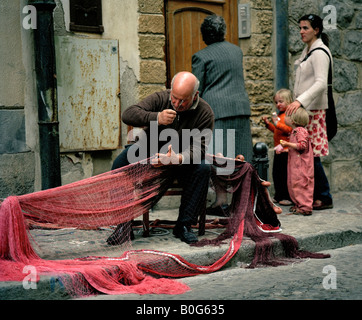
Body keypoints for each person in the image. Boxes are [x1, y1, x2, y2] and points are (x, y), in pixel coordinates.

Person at [107, 71, 215, 245]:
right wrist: (156, 117)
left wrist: (177, 158)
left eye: (183, 100)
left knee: (202, 168)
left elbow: (199, 149)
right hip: (148, 150)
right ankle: (123, 225)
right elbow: (128, 115)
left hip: (181, 159)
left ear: (196, 95)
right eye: (174, 98)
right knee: (120, 163)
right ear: (171, 91)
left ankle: (184, 225)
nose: (177, 104)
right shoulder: (160, 98)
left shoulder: (205, 112)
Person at [192, 15, 253, 216]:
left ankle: (221, 201)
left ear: (205, 34)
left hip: (216, 111)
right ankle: (241, 203)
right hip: (240, 108)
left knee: (217, 158)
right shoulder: (237, 51)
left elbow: (195, 89)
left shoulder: (201, 56)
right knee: (240, 158)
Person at [286, 14, 333, 210]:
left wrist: (299, 100)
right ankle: (314, 195)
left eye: (305, 28)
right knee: (307, 153)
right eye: (300, 28)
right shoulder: (309, 51)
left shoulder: (320, 52)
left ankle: (324, 196)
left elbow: (321, 83)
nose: (301, 31)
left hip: (313, 110)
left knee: (310, 154)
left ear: (317, 30)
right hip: (307, 110)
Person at [280, 107, 314, 216]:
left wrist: (287, 144)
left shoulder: (300, 131)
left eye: (288, 116)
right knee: (294, 183)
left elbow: (301, 146)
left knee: (302, 183)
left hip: (301, 165)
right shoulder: (295, 131)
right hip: (295, 164)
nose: (285, 118)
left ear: (293, 120)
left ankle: (305, 207)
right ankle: (298, 205)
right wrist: (284, 148)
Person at [262, 89, 293, 206]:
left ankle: (287, 196)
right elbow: (276, 130)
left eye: (281, 101)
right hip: (278, 150)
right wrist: (268, 124)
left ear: (289, 102)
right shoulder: (280, 115)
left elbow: (289, 130)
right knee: (277, 173)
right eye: (276, 102)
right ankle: (279, 195)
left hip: (286, 151)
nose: (278, 104)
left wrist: (277, 123)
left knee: (285, 174)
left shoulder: (288, 116)